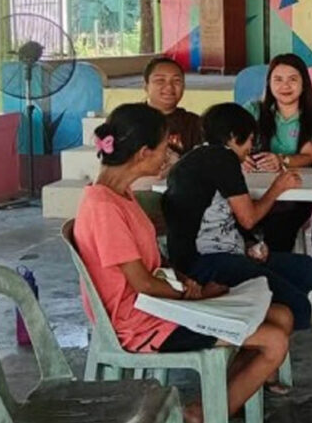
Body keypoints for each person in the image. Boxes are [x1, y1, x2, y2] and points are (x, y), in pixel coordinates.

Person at [73, 103, 290, 423]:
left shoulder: (120, 194)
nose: (169, 153)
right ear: (144, 153)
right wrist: (195, 296)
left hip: (160, 305)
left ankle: (216, 400)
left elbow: (151, 265)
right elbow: (143, 283)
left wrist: (186, 282)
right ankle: (205, 413)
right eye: (166, 146)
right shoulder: (104, 207)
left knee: (281, 315)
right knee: (274, 341)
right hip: (142, 322)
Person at [163, 102, 312, 335]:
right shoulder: (223, 158)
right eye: (249, 140)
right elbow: (249, 218)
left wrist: (248, 243)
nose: (250, 148)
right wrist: (277, 188)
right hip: (207, 262)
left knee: (304, 268)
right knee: (297, 304)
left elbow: (226, 216)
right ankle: (260, 337)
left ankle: (263, 323)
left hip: (219, 253)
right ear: (232, 136)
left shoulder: (195, 157)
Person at [246, 53, 312, 253]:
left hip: (294, 197)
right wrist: (241, 159)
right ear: (269, 83)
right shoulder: (253, 110)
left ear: (304, 84)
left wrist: (282, 160)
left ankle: (275, 271)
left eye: (292, 79)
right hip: (252, 194)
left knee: (277, 235)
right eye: (278, 79)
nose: (285, 86)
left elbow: (310, 156)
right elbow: (231, 144)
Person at [142, 56, 202, 157]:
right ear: (146, 86)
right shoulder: (129, 119)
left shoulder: (194, 124)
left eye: (176, 81)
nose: (169, 87)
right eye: (160, 80)